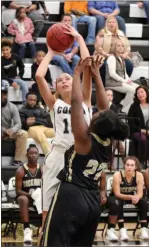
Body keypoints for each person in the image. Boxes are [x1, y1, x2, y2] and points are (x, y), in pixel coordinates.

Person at [40, 56, 129, 247]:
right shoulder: (107, 143)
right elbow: (106, 109)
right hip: (93, 201)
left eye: (95, 115)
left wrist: (78, 73)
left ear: (96, 124)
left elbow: (77, 102)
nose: (94, 112)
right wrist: (96, 75)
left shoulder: (83, 141)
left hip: (72, 195)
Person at [35, 24, 92, 238]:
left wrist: (78, 37)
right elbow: (40, 77)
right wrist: (50, 51)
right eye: (60, 80)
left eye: (68, 77)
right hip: (59, 155)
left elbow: (87, 65)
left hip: (80, 157)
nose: (64, 80)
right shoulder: (54, 104)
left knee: (80, 206)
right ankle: (45, 235)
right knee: (48, 207)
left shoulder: (84, 99)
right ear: (57, 89)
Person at [111, 156, 149, 240]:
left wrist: (137, 198)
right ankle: (122, 230)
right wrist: (131, 197)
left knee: (144, 203)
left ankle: (143, 229)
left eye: (132, 165)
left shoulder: (139, 175)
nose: (129, 167)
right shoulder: (117, 175)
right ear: (124, 165)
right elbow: (117, 194)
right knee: (118, 202)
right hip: (118, 197)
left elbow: (140, 193)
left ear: (135, 167)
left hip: (131, 197)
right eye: (127, 165)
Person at [16, 144, 42, 244]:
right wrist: (31, 195)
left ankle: (43, 228)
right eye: (31, 153)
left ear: (39, 155)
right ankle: (27, 230)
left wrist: (38, 195)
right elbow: (18, 191)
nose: (33, 155)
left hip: (39, 198)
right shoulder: (21, 170)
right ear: (26, 155)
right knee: (23, 199)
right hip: (26, 198)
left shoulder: (43, 169)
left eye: (35, 153)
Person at [94, 16, 133, 84]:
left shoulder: (121, 33)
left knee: (129, 64)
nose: (111, 24)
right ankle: (105, 84)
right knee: (105, 65)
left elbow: (128, 46)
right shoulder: (102, 33)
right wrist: (107, 55)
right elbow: (98, 47)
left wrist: (125, 54)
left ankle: (123, 82)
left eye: (113, 22)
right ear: (106, 23)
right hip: (105, 55)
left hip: (120, 55)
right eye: (109, 22)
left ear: (116, 24)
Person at [105, 40, 138, 113]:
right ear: (114, 47)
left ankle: (135, 108)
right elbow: (112, 74)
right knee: (132, 91)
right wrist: (124, 81)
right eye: (118, 45)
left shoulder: (122, 59)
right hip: (112, 82)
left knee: (139, 88)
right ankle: (121, 107)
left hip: (120, 81)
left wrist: (128, 80)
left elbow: (125, 73)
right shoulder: (112, 58)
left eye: (122, 46)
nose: (120, 47)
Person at [19, 92, 55, 156]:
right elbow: (24, 124)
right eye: (30, 100)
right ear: (26, 100)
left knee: (59, 133)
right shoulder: (22, 110)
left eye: (34, 100)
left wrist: (35, 120)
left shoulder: (40, 109)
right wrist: (41, 120)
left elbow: (49, 122)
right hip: (31, 129)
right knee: (41, 137)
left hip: (44, 128)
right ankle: (49, 156)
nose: (32, 102)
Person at [1, 84, 28, 166]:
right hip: (3, 131)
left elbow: (18, 123)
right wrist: (3, 130)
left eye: (3, 93)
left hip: (8, 132)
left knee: (23, 133)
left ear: (6, 95)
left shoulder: (12, 107)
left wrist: (11, 130)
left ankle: (17, 160)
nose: (2, 95)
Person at [1, 38, 28, 103]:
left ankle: (25, 103)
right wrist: (11, 82)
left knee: (24, 83)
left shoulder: (15, 57)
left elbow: (22, 66)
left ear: (10, 49)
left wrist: (20, 75)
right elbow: (2, 75)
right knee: (6, 84)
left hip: (14, 78)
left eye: (7, 49)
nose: (5, 52)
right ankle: (5, 102)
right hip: (4, 79)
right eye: (3, 50)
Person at [128, 86, 149, 165]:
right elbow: (130, 122)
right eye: (138, 93)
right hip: (137, 131)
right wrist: (142, 130)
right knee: (143, 139)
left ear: (146, 93)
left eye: (142, 92)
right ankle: (142, 161)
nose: (140, 94)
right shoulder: (134, 106)